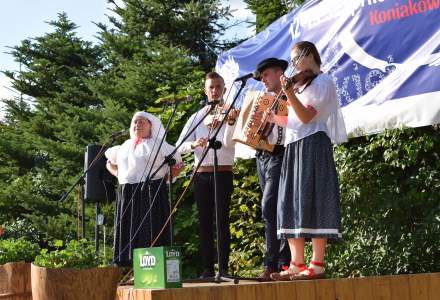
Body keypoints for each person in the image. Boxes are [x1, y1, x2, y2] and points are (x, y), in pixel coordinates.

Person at [268, 41, 347, 280]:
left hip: (313, 143)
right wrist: (272, 118)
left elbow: (305, 117)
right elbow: (293, 122)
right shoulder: (300, 87)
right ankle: (296, 263)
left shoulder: (322, 81)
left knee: (313, 198)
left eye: (295, 59)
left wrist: (288, 91)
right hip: (294, 146)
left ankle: (317, 263)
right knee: (290, 201)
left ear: (309, 54)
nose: (293, 65)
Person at [176, 72, 237, 278]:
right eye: (211, 87)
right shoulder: (197, 116)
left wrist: (228, 122)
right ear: (205, 90)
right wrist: (194, 143)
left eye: (218, 87)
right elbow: (179, 146)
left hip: (223, 172)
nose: (214, 91)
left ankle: (225, 268)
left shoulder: (232, 113)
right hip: (201, 174)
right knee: (204, 222)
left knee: (222, 221)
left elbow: (233, 142)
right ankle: (207, 269)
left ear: (224, 89)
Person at [105, 111, 183, 267]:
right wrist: (119, 175)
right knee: (129, 230)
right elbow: (109, 163)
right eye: (134, 122)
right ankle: (129, 268)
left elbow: (178, 165)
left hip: (151, 191)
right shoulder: (125, 145)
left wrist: (164, 181)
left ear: (151, 126)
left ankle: (149, 268)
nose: (137, 125)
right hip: (127, 192)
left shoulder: (159, 144)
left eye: (141, 122)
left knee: (149, 230)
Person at [252, 58, 292, 281]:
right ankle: (276, 263)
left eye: (266, 75)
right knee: (270, 210)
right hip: (262, 155)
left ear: (279, 73)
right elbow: (253, 128)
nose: (263, 80)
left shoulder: (291, 94)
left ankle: (279, 263)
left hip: (280, 152)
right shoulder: (260, 100)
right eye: (261, 77)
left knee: (271, 207)